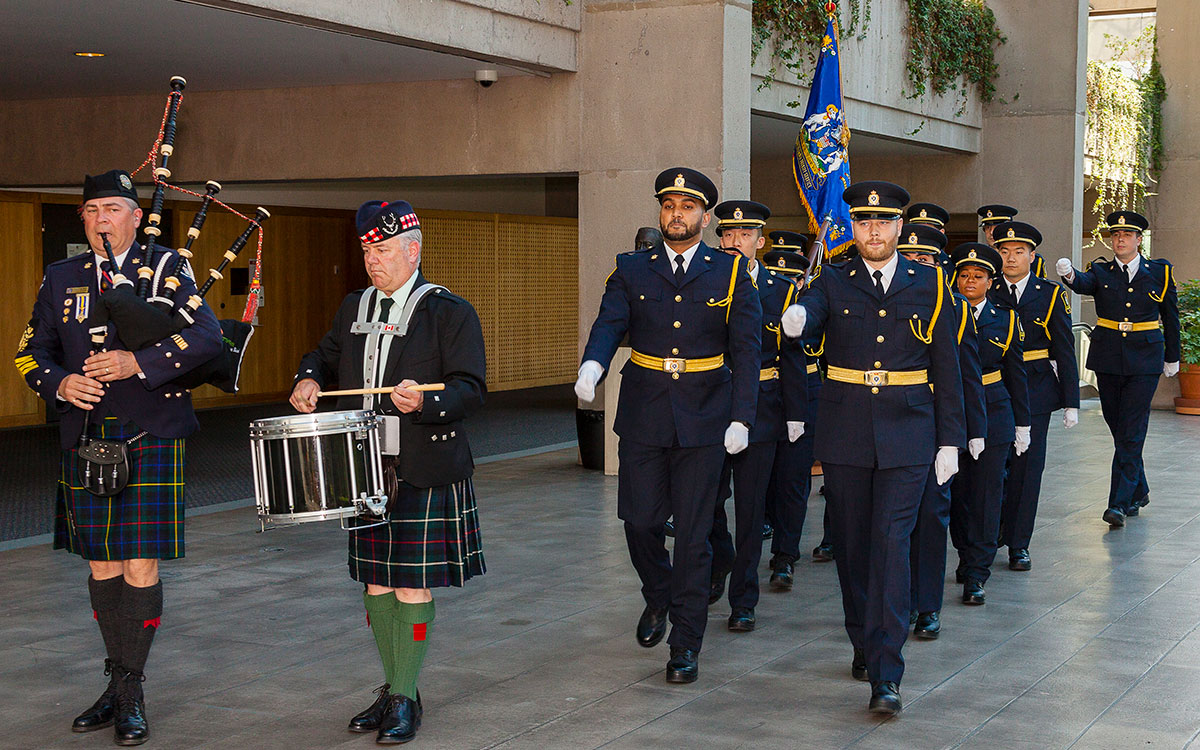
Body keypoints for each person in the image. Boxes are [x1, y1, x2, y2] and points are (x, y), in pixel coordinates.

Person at [13, 169, 222, 745]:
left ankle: (129, 689)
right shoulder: (62, 276)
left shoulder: (167, 268)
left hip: (149, 430)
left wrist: (139, 364)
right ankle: (118, 680)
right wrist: (59, 384)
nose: (102, 218)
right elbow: (31, 351)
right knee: (100, 565)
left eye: (113, 209)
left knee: (139, 565)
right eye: (91, 210)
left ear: (134, 216)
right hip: (86, 433)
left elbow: (208, 339)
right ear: (83, 219)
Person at [290, 199, 487, 744]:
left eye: (382, 250)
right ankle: (398, 685)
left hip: (424, 466)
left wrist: (423, 401)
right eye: (366, 251)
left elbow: (471, 389)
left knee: (412, 585)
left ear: (413, 249)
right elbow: (324, 356)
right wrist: (308, 378)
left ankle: (403, 696)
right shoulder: (354, 307)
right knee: (376, 581)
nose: (372, 261)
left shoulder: (449, 312)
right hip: (364, 465)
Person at [781, 180, 965, 714]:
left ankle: (887, 672)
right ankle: (863, 636)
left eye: (883, 222)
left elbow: (947, 369)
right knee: (856, 549)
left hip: (910, 434)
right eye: (863, 222)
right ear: (853, 228)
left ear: (900, 228)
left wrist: (949, 439)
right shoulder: (834, 279)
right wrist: (799, 318)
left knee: (890, 546)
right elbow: (813, 309)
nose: (874, 230)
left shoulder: (930, 284)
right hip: (845, 434)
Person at [575, 167, 760, 684]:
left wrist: (742, 416)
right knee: (639, 522)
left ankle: (685, 643)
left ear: (704, 216)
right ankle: (657, 595)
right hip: (644, 413)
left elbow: (746, 352)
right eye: (668, 205)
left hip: (706, 418)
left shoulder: (729, 274)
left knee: (695, 535)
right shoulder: (633, 268)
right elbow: (610, 320)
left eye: (686, 206)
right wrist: (593, 364)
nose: (676, 214)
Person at [705, 202, 807, 630]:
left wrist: (796, 414)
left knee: (750, 509)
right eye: (727, 233)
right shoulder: (702, 282)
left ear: (760, 242)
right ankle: (721, 554)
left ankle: (743, 599)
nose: (733, 241)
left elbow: (792, 358)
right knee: (706, 503)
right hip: (708, 406)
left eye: (744, 234)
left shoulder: (781, 292)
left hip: (762, 409)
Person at [1056, 211, 1180, 526]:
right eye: (1115, 235)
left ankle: (1119, 503)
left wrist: (1172, 356)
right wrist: (1069, 275)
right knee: (1118, 428)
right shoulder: (1100, 270)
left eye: (1127, 235)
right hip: (1109, 357)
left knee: (1132, 429)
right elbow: (1083, 284)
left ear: (1139, 240)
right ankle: (1139, 488)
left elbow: (1170, 316)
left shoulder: (1159, 273)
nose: (1120, 239)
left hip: (1145, 359)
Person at [896, 224, 986, 637]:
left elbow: (968, 377)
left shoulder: (955, 307)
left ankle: (926, 604)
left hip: (934, 426)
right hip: (891, 424)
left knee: (931, 515)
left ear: (940, 265)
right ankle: (896, 602)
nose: (915, 264)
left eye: (925, 259)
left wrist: (971, 431)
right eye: (909, 256)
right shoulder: (881, 299)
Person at [989, 220, 1079, 570]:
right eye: (1005, 252)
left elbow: (1065, 349)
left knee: (1027, 469)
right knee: (995, 464)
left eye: (1019, 252)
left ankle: (1018, 543)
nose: (1011, 258)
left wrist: (1071, 400)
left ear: (1032, 256)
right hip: (995, 386)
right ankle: (994, 529)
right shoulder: (987, 289)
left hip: (1036, 387)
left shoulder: (1050, 293)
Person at [947, 243, 1031, 608]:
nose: (969, 281)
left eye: (978, 276)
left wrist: (1022, 424)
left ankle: (977, 571)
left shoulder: (1007, 319)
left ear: (990, 281)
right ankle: (965, 552)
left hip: (994, 410)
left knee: (987, 494)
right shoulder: (943, 314)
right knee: (958, 495)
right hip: (954, 411)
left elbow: (1017, 375)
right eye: (964, 275)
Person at [759, 231, 826, 584]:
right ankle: (768, 525)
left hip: (807, 388)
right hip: (768, 389)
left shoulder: (816, 307)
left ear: (803, 279)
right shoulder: (762, 301)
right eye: (778, 274)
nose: (786, 282)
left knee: (795, 476)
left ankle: (786, 553)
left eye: (793, 277)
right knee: (764, 474)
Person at [979, 204, 1046, 278]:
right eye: (987, 227)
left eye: (996, 227)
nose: (991, 232)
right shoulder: (980, 259)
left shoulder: (1033, 261)